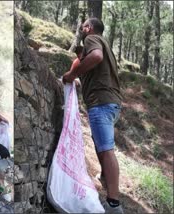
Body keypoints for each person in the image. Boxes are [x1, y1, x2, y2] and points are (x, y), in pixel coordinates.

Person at [63, 18, 123, 214]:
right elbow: (82, 64)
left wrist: (72, 76)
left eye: (83, 27)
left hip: (101, 102)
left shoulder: (92, 39)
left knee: (106, 150)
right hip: (112, 103)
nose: (81, 30)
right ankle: (106, 178)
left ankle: (114, 203)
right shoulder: (106, 45)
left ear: (89, 28)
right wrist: (75, 74)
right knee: (101, 146)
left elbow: (95, 57)